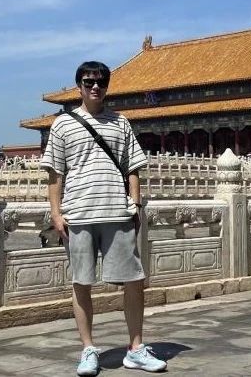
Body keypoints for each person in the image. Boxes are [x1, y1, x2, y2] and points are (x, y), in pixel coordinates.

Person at [41, 61, 167, 376]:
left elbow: (132, 167)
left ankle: (136, 349)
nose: (95, 87)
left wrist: (135, 204)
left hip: (116, 212)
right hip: (78, 214)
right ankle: (88, 349)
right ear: (79, 86)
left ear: (108, 87)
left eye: (101, 82)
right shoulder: (62, 125)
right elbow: (55, 174)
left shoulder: (120, 122)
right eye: (89, 82)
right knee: (81, 282)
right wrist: (56, 213)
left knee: (134, 280)